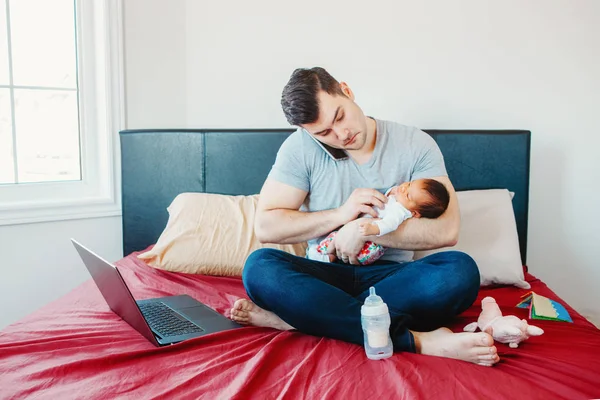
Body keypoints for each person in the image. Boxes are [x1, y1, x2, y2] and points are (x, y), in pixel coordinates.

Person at [230, 67, 499, 367]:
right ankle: (416, 340)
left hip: (393, 279)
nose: (341, 134)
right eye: (323, 133)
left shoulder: (415, 144)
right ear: (308, 133)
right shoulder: (299, 149)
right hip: (324, 276)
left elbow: (447, 229)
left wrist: (364, 230)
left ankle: (303, 319)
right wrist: (342, 215)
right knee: (260, 268)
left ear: (346, 90)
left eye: (340, 117)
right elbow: (266, 226)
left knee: (459, 271)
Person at [309, 178, 450, 265]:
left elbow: (390, 225)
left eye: (407, 194)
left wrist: (373, 230)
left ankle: (321, 256)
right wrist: (394, 191)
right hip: (365, 243)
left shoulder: (400, 211)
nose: (403, 188)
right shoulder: (399, 199)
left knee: (335, 239)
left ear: (415, 213)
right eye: (409, 184)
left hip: (369, 248)